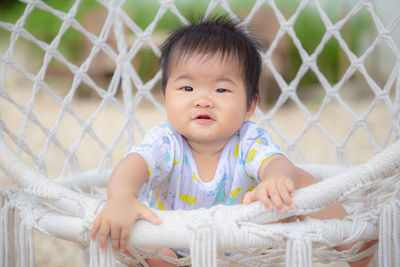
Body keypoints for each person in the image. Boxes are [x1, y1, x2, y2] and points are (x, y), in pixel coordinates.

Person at [90, 15, 376, 267]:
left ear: (250, 106)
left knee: (296, 180)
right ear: (166, 98)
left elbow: (276, 162)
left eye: (222, 89)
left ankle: (351, 241)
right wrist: (122, 196)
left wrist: (276, 179)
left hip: (242, 247)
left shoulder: (248, 139)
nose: (203, 100)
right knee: (130, 228)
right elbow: (133, 166)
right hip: (171, 251)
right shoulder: (166, 141)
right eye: (187, 87)